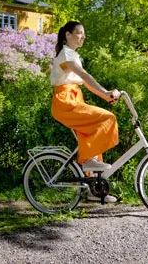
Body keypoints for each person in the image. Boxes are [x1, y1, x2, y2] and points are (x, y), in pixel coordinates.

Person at [50, 21, 120, 203]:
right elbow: (85, 76)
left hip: (73, 99)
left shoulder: (73, 55)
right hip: (65, 101)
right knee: (107, 118)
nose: (83, 36)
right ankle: (87, 160)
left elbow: (86, 83)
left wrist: (105, 96)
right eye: (80, 33)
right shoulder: (66, 54)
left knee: (89, 136)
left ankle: (95, 190)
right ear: (68, 34)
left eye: (84, 33)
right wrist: (105, 92)